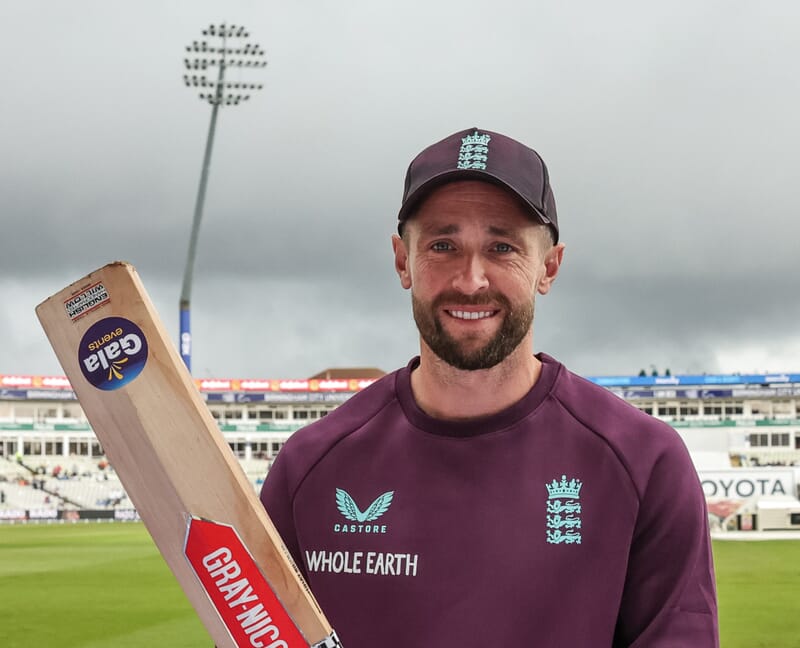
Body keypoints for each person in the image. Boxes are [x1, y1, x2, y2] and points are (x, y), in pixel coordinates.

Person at [260, 127, 719, 646]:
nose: (471, 279)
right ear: (401, 260)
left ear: (549, 266)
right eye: (442, 245)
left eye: (502, 247)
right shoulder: (309, 469)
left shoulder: (644, 463)